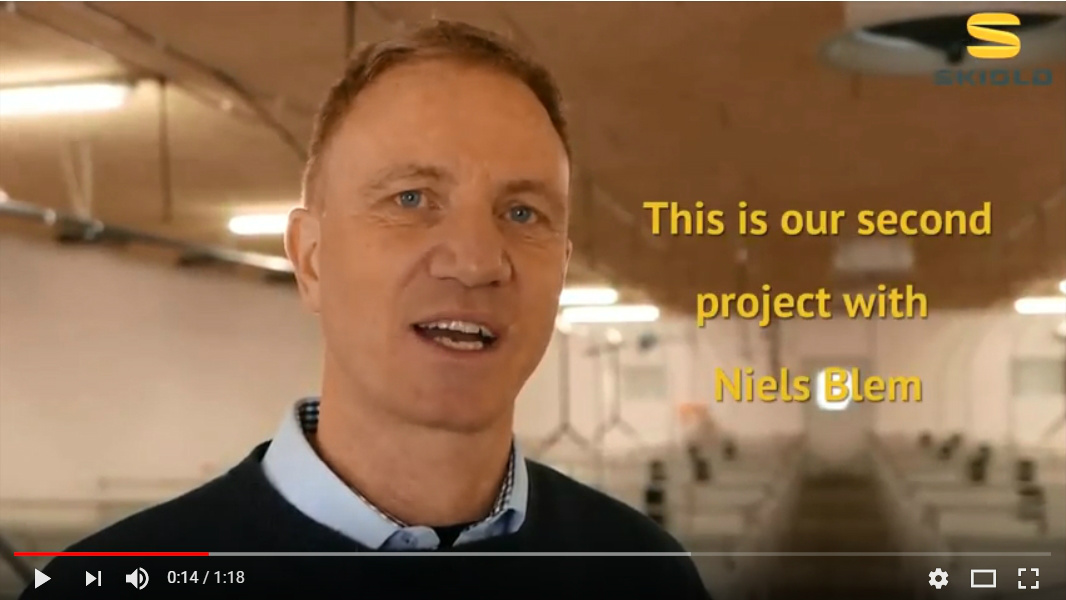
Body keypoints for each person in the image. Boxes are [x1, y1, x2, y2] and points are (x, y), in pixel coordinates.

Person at [26, 21, 711, 599]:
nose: (476, 260)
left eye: (523, 213)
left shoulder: (646, 574)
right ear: (311, 260)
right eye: (411, 199)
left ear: (560, 270)